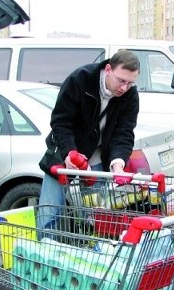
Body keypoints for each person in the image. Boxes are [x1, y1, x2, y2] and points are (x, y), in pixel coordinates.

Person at [37, 49, 140, 229]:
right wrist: (69, 152)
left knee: (97, 216)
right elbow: (61, 122)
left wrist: (118, 163)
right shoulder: (80, 80)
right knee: (50, 212)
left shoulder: (130, 95)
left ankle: (92, 252)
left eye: (130, 83)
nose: (124, 88)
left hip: (98, 157)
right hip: (66, 152)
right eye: (121, 81)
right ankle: (42, 251)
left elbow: (124, 132)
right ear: (108, 69)